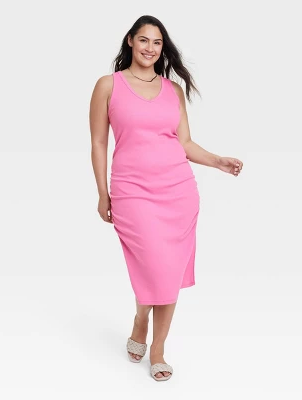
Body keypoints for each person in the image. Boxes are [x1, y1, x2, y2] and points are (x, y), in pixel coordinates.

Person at [89, 15, 243, 381]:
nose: (150, 48)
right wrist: (102, 193)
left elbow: (184, 142)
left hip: (178, 191)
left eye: (157, 43)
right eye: (143, 40)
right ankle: (141, 318)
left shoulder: (172, 90)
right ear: (130, 41)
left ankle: (157, 347)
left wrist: (217, 161)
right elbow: (98, 142)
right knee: (153, 267)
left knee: (168, 272)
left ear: (163, 48)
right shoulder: (108, 85)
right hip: (132, 192)